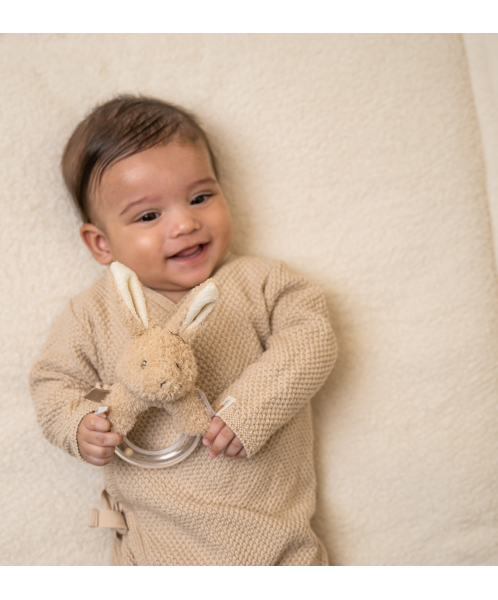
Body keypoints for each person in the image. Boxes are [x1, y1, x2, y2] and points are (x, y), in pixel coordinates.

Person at [29, 95, 337, 565]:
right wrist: (79, 424)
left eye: (200, 198)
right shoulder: (92, 314)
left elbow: (311, 337)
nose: (185, 223)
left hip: (275, 546)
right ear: (101, 242)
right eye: (149, 216)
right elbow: (52, 381)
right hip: (155, 552)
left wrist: (250, 407)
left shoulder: (260, 283)